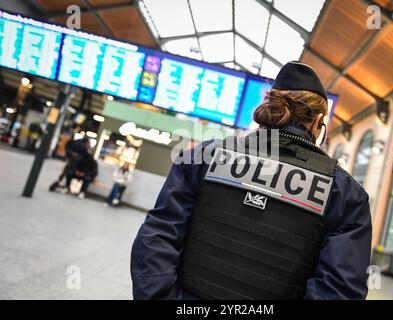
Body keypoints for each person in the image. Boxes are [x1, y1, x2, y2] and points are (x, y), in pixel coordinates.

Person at [130, 62, 372, 300]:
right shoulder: (345, 194)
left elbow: (157, 236)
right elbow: (340, 289)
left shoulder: (202, 156)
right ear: (319, 122)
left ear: (270, 107)